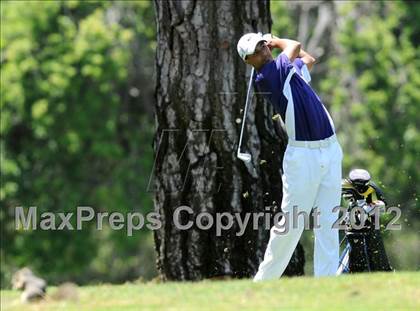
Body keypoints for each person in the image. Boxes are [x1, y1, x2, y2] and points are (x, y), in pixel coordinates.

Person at [237, 33, 344, 280]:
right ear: (249, 60)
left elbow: (309, 59)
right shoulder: (268, 76)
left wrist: (276, 47)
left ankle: (327, 283)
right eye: (257, 49)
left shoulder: (287, 71)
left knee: (328, 220)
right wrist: (275, 39)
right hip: (303, 157)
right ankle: (263, 282)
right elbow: (294, 46)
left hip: (329, 149)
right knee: (291, 225)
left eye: (263, 45)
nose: (263, 50)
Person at [341, 168, 392, 272]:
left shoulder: (372, 188)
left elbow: (384, 205)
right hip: (352, 227)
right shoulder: (344, 185)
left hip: (370, 228)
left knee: (377, 260)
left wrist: (367, 209)